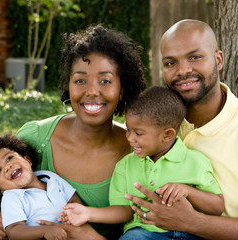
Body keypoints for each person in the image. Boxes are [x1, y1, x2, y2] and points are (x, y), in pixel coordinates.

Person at [125, 19, 238, 240]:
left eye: (195, 57)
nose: (183, 71)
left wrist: (193, 223)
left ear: (218, 60)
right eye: (171, 63)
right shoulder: (151, 127)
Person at [0, 24, 147, 240]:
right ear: (68, 86)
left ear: (122, 89)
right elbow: (2, 183)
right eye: (80, 80)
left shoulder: (139, 150)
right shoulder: (36, 137)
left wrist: (85, 234)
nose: (92, 91)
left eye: (105, 81)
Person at [58, 86, 224, 240]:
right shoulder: (125, 165)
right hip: (144, 233)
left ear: (167, 135)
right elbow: (124, 210)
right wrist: (88, 213)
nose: (129, 138)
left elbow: (217, 206)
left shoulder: (195, 161)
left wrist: (187, 191)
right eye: (128, 129)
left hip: (191, 234)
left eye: (138, 133)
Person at [0, 134, 83, 240]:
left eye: (9, 158)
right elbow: (14, 231)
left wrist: (76, 216)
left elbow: (73, 198)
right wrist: (44, 231)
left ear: (27, 160)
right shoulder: (12, 197)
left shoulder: (50, 177)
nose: (7, 166)